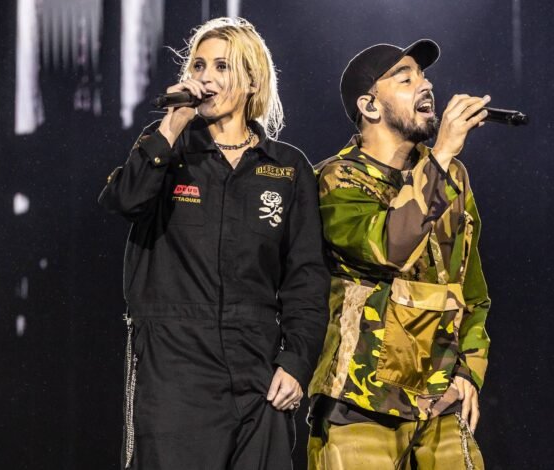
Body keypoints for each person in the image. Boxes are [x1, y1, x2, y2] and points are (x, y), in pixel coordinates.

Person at [98, 17, 329, 470]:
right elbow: (123, 200)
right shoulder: (167, 152)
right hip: (175, 362)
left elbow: (307, 277)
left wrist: (296, 362)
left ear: (251, 80)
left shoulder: (286, 168)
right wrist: (170, 126)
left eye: (222, 66)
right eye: (198, 65)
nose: (205, 77)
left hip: (258, 364)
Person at [307, 40, 492, 469]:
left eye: (423, 76)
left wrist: (469, 371)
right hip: (360, 404)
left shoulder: (452, 176)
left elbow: (472, 290)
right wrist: (442, 157)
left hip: (441, 403)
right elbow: (389, 247)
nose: (425, 85)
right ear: (369, 107)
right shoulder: (337, 178)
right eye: (405, 77)